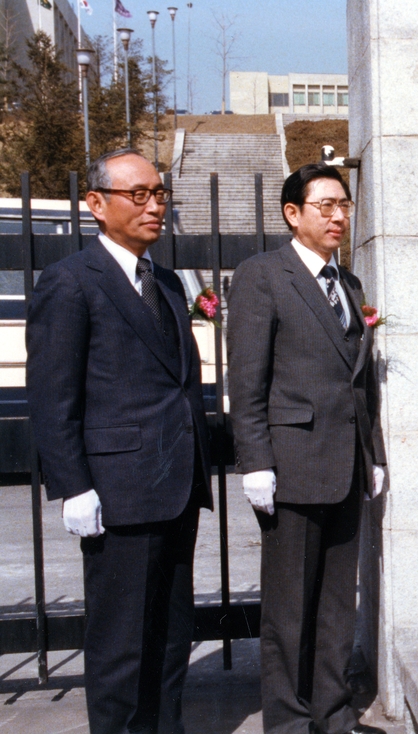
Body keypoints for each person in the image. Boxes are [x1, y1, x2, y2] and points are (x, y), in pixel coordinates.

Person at [26, 148, 212, 733]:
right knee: (120, 647)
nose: (154, 205)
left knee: (169, 635)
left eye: (159, 194)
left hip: (176, 485)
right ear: (97, 205)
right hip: (118, 490)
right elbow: (53, 398)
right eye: (139, 194)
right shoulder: (70, 283)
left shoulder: (166, 282)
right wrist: (74, 486)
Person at [227, 163, 387, 734]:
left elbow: (359, 383)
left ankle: (333, 714)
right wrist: (256, 463)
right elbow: (246, 381)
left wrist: (374, 457)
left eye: (343, 204)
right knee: (290, 608)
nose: (339, 215)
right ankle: (290, 723)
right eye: (325, 205)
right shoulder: (262, 275)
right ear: (293, 214)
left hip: (345, 465)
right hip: (290, 466)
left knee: (338, 602)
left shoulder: (350, 285)